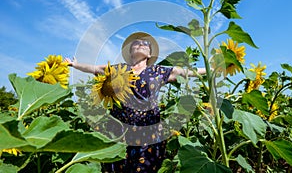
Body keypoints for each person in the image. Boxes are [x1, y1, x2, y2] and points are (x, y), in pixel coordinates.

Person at [65, 32, 206, 172]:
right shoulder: (118, 69)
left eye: (145, 44)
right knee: (115, 166)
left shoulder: (157, 71)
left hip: (148, 131)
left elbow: (184, 72)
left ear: (150, 54)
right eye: (136, 43)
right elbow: (96, 69)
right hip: (119, 130)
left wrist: (212, 69)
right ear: (130, 52)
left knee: (144, 168)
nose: (140, 44)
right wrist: (75, 64)